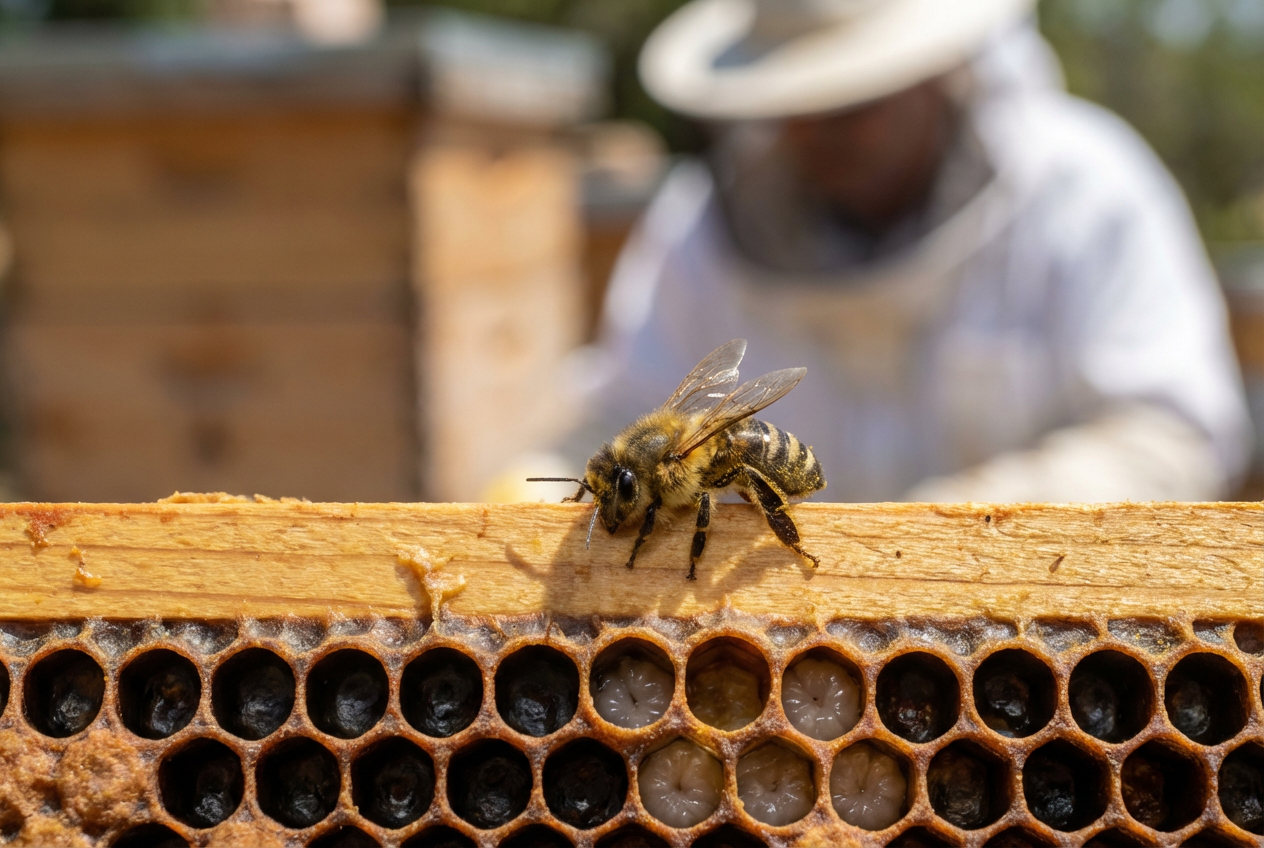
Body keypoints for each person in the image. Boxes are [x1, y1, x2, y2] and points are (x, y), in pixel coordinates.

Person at [550, 0, 1251, 503]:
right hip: (774, 678)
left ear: (934, 68)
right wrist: (530, 488)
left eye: (852, 100)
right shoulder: (695, 229)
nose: (817, 131)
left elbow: (1175, 434)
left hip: (1040, 667)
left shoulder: (1089, 191)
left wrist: (962, 522)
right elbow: (622, 413)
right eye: (791, 101)